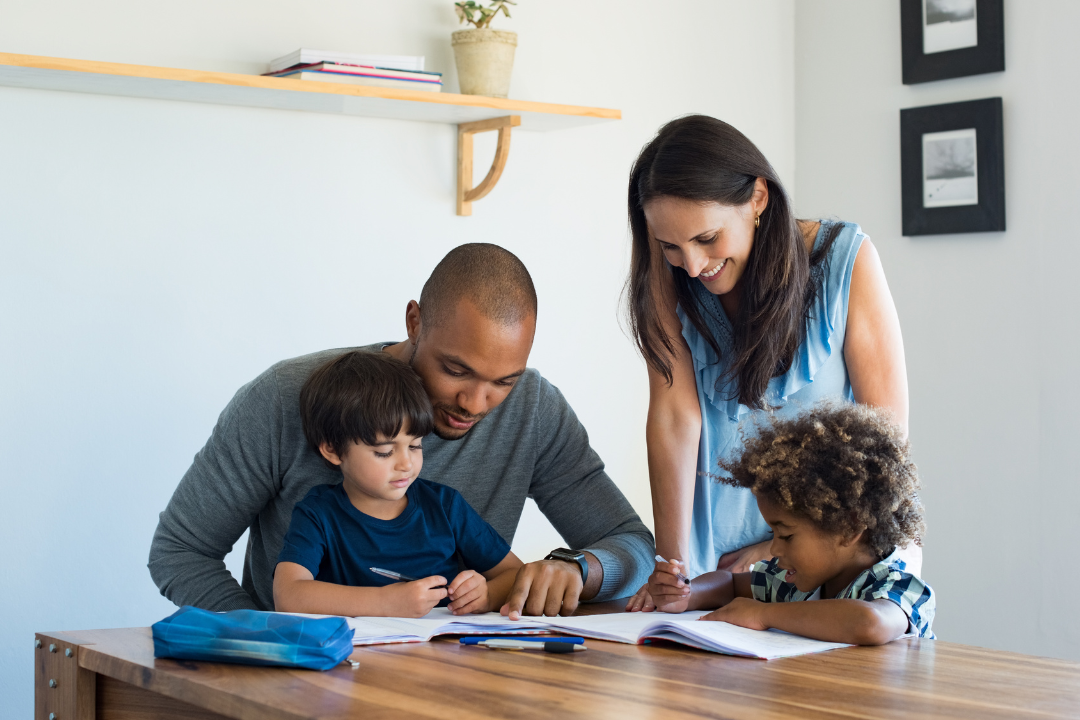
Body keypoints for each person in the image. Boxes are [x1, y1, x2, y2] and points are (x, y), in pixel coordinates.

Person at [150, 243, 653, 617]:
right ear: (414, 321)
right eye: (456, 370)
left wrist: (578, 569)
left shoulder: (534, 409)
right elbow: (180, 551)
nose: (475, 404)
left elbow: (632, 545)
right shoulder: (285, 398)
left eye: (503, 381)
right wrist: (269, 643)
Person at [623, 115, 915, 611]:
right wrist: (672, 568)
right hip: (711, 570)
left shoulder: (846, 260)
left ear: (758, 197)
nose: (692, 266)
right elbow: (675, 418)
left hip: (829, 563)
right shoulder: (668, 278)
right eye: (671, 246)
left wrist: (778, 548)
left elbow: (884, 442)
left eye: (707, 238)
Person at [648, 402, 935, 644]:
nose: (773, 550)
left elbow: (869, 623)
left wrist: (762, 614)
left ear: (849, 527)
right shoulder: (794, 582)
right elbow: (730, 585)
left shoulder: (898, 585)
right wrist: (687, 594)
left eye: (785, 536)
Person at [274, 351, 524, 618]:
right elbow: (289, 595)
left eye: (415, 445)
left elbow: (516, 574)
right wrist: (384, 602)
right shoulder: (318, 514)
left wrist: (486, 595)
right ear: (333, 450)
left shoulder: (444, 506)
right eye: (384, 452)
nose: (406, 464)